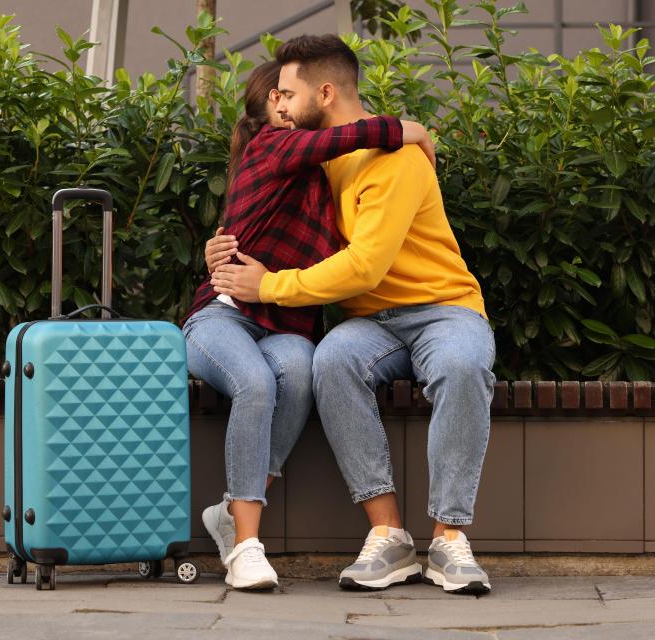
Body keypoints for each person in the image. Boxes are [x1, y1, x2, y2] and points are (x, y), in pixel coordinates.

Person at [208, 35, 497, 595]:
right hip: (371, 322)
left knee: (462, 366)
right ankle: (388, 535)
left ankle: (449, 537)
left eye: (288, 93)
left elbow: (364, 266)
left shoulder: (393, 159)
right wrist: (220, 248)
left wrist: (269, 286)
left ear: (324, 93)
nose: (280, 104)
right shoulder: (318, 157)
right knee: (332, 362)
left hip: (444, 309)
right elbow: (264, 215)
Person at [183, 59, 436, 590]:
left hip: (285, 327)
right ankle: (246, 546)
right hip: (224, 316)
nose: (283, 102)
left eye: (289, 93)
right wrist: (407, 130)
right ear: (264, 107)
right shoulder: (273, 145)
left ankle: (230, 512)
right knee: (255, 382)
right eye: (275, 95)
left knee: (300, 374)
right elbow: (346, 135)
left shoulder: (326, 175)